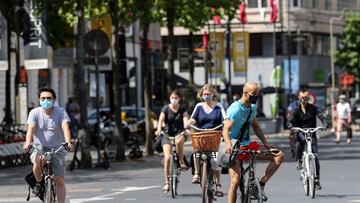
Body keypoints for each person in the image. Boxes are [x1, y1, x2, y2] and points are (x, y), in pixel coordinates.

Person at [222, 82, 284, 203]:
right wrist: (228, 145)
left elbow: (255, 126)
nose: (256, 97)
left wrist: (265, 142)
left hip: (247, 145)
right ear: (245, 94)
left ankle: (260, 184)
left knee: (279, 155)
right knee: (235, 181)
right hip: (234, 147)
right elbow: (225, 129)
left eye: (258, 94)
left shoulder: (252, 107)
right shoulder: (235, 109)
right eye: (253, 94)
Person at [23, 87, 73, 203]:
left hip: (57, 148)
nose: (46, 100)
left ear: (54, 99)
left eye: (49, 98)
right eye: (43, 98)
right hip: (39, 148)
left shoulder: (61, 112)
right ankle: (39, 183)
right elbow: (31, 128)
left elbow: (65, 127)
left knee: (59, 180)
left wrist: (68, 142)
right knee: (39, 159)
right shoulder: (34, 112)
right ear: (39, 99)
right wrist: (27, 143)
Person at [187, 84, 226, 197]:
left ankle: (218, 184)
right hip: (202, 136)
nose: (206, 96)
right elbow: (193, 118)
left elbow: (225, 118)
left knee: (215, 160)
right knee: (196, 154)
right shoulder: (199, 106)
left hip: (215, 136)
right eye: (204, 94)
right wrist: (189, 122)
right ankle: (197, 173)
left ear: (213, 94)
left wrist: (226, 122)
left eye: (208, 94)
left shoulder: (219, 106)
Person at [287, 88, 328, 190]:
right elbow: (290, 120)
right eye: (302, 97)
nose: (304, 99)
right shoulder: (296, 110)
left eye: (306, 97)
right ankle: (300, 160)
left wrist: (325, 124)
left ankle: (317, 179)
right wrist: (291, 126)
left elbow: (321, 116)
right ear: (299, 98)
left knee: (315, 156)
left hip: (312, 133)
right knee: (301, 142)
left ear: (309, 98)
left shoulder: (313, 108)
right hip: (301, 131)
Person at [154, 90, 190, 193]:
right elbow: (161, 120)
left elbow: (185, 120)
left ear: (179, 99)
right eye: (172, 97)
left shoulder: (183, 109)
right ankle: (166, 182)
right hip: (167, 135)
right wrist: (158, 129)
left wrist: (187, 129)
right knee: (167, 158)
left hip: (180, 134)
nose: (174, 99)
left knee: (179, 142)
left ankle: (181, 161)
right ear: (170, 98)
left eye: (176, 98)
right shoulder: (165, 108)